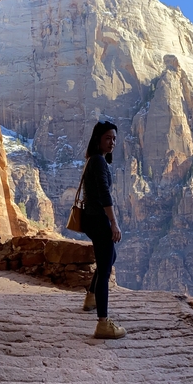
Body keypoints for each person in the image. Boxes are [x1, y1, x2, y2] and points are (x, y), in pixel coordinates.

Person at [81, 121, 126, 339]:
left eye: (114, 138)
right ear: (98, 138)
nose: (112, 143)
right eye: (108, 138)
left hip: (92, 219)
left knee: (108, 258)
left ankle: (91, 296)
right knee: (105, 270)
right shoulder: (98, 161)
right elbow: (104, 194)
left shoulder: (94, 160)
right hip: (99, 220)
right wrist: (113, 222)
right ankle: (103, 323)